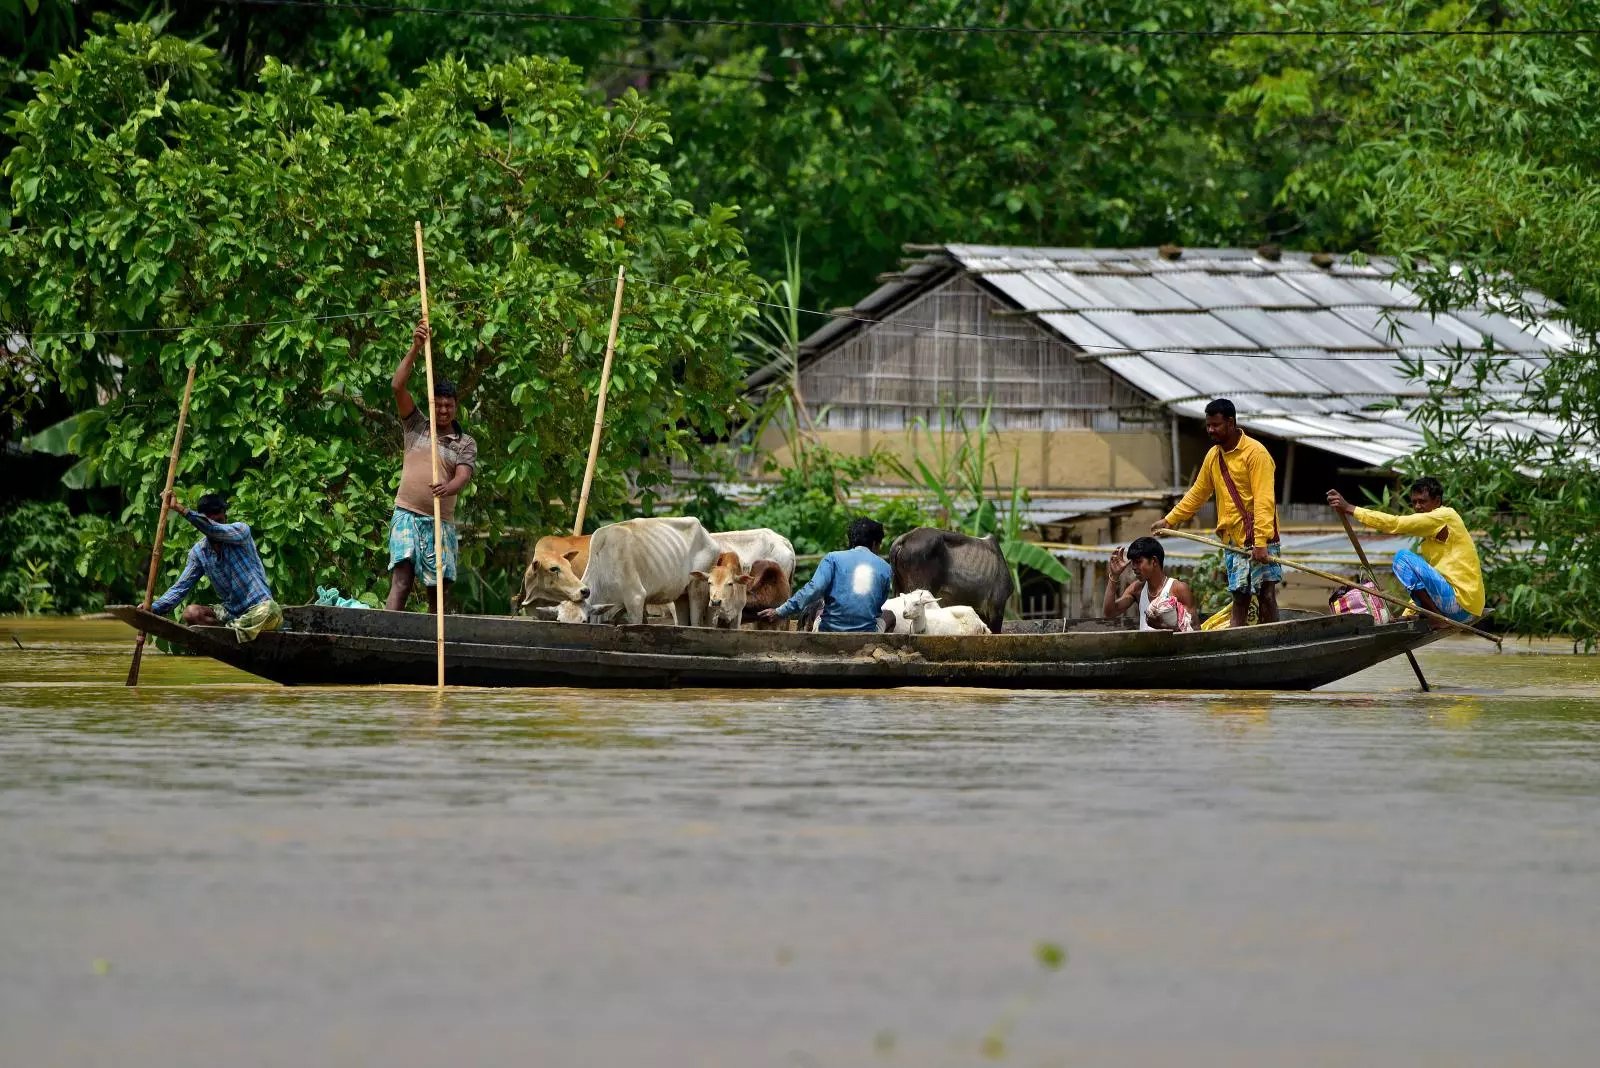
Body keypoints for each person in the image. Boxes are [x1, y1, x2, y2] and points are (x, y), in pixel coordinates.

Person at [1154, 397, 1280, 627]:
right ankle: (1237, 643)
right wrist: (1170, 520)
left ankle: (1274, 639)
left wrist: (1261, 541)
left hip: (1260, 537)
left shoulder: (1256, 454)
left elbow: (1264, 501)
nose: (1210, 430)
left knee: (1266, 595)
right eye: (1208, 425)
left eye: (1216, 425)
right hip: (1232, 539)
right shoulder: (1214, 456)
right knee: (1239, 596)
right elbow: (1198, 492)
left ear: (1230, 423)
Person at [386, 322, 478, 613]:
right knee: (401, 579)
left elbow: (462, 477)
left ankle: (433, 645)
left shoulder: (464, 442)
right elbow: (397, 386)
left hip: (439, 522)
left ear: (455, 406)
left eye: (448, 406)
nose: (443, 411)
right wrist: (415, 348)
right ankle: (387, 635)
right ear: (431, 405)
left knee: (437, 591)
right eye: (438, 406)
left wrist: (447, 488)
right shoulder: (416, 425)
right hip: (406, 515)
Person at [1327, 478, 1484, 627]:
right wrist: (1407, 613)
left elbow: (1395, 524)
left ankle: (1435, 618)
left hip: (1461, 604)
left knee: (1402, 558)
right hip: (1467, 608)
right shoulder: (1430, 539)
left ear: (1437, 501)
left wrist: (1350, 508)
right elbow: (1424, 584)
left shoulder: (1445, 516)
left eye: (1422, 501)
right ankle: (1432, 615)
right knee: (1411, 565)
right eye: (1414, 502)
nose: (1417, 507)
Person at [150, 490, 283, 642]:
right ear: (202, 523)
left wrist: (180, 509)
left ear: (225, 518)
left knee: (271, 611)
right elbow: (180, 588)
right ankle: (230, 631)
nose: (215, 525)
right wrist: (153, 608)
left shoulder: (240, 531)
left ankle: (228, 631)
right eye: (209, 521)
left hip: (259, 608)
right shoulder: (199, 553)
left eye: (219, 520)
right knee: (191, 613)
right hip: (231, 613)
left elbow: (213, 529)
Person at [758, 517, 893, 632]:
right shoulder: (885, 567)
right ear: (875, 543)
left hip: (830, 631)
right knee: (889, 615)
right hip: (866, 636)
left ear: (851, 541)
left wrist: (779, 611)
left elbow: (813, 589)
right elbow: (878, 606)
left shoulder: (833, 558)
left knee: (819, 608)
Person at [1103, 536, 1197, 631]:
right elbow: (1109, 613)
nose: (1134, 567)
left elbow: (1195, 630)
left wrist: (1162, 626)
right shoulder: (1136, 589)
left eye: (1138, 562)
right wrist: (1114, 576)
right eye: (1133, 563)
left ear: (1154, 561)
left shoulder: (1178, 589)